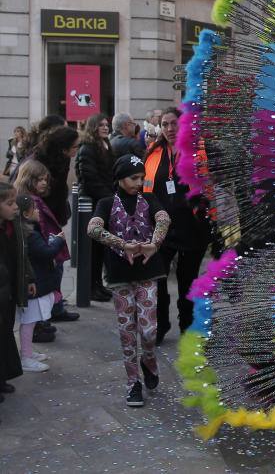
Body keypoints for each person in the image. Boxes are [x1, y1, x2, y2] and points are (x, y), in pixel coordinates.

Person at [87, 154, 170, 407]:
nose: (139, 182)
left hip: (147, 272)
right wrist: (122, 244)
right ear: (120, 178)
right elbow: (92, 228)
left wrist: (154, 244)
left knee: (148, 330)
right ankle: (132, 382)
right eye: (134, 178)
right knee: (126, 331)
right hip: (119, 276)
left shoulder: (149, 199)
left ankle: (149, 360)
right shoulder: (106, 203)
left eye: (141, 177)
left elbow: (164, 218)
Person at [145, 108, 211, 343]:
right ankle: (161, 325)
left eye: (174, 124)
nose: (170, 129)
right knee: (158, 279)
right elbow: (147, 188)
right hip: (162, 228)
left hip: (192, 227)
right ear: (160, 128)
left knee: (187, 281)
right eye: (165, 124)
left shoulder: (197, 151)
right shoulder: (154, 153)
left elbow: (208, 187)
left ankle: (187, 326)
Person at [32, 125, 80, 322]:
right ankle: (50, 310)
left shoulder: (61, 159)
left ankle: (55, 306)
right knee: (53, 263)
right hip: (43, 219)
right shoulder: (42, 163)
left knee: (57, 263)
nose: (77, 150)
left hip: (53, 217)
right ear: (63, 148)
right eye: (75, 146)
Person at [14, 160, 63, 343]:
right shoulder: (30, 203)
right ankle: (38, 331)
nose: (44, 183)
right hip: (38, 268)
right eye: (39, 179)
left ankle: (41, 325)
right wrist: (56, 242)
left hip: (38, 267)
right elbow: (42, 240)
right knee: (35, 309)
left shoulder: (30, 199)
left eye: (45, 179)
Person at [15, 194, 64, 372]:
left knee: (31, 321)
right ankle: (26, 357)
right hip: (35, 285)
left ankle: (27, 353)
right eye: (35, 209)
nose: (38, 211)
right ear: (26, 214)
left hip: (36, 283)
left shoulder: (26, 231)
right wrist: (58, 240)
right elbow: (46, 253)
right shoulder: (31, 234)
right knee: (29, 321)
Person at [76, 113, 115, 302]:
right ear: (93, 127)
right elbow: (90, 179)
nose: (106, 128)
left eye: (107, 124)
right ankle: (91, 288)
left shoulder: (106, 145)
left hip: (104, 200)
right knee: (92, 248)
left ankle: (98, 285)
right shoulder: (87, 148)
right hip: (92, 203)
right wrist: (110, 197)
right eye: (101, 125)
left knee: (101, 247)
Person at [0, 183, 32, 396]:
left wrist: (28, 278)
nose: (16, 207)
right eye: (9, 203)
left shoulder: (12, 226)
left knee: (5, 333)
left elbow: (22, 256)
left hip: (8, 290)